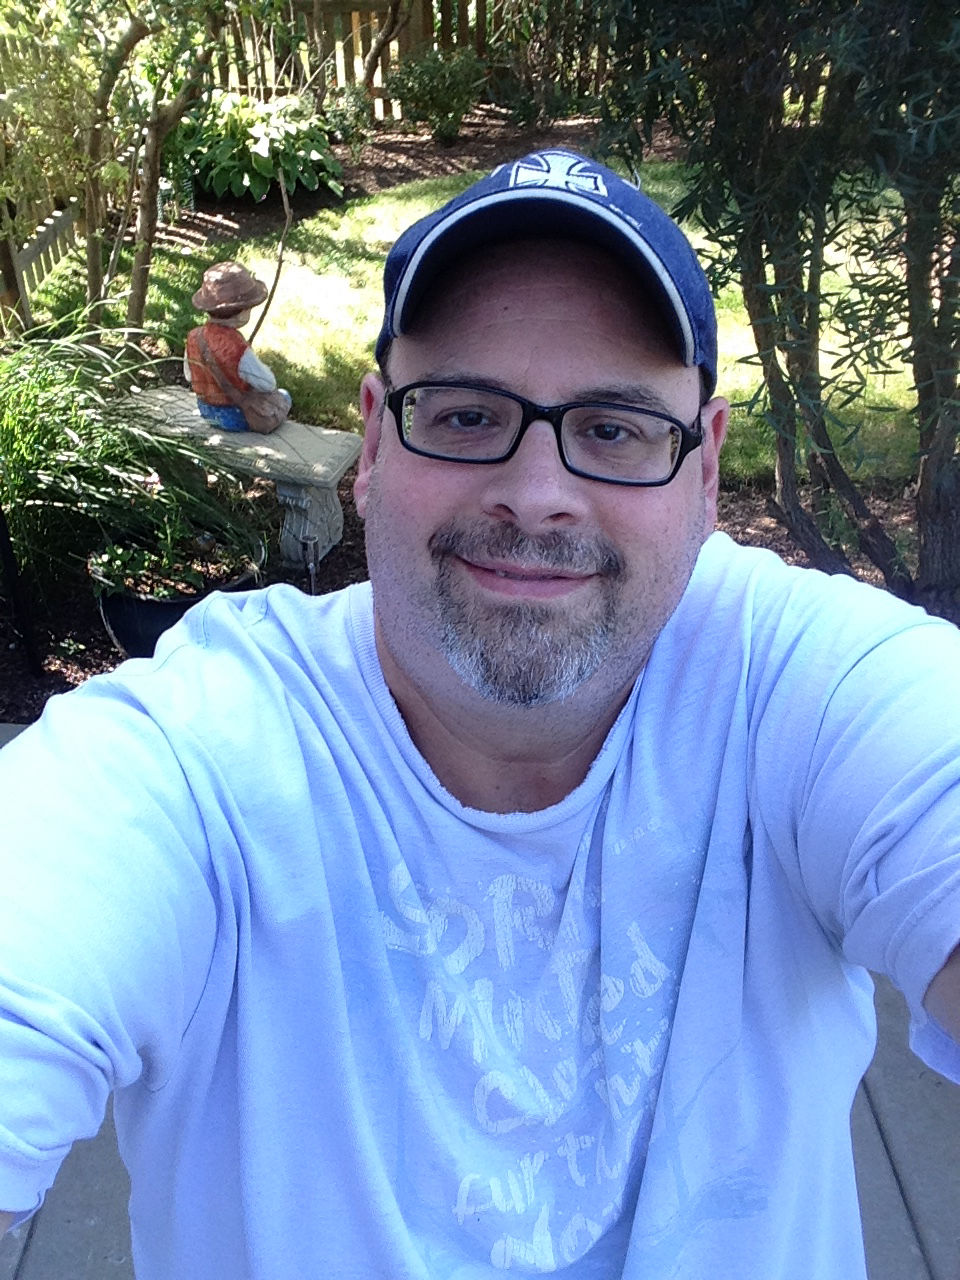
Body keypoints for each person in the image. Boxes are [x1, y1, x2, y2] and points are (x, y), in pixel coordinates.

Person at [1, 148, 959, 1279]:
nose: (536, 492)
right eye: (464, 415)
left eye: (612, 429)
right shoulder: (196, 753)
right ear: (372, 443)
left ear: (704, 472)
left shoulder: (801, 687)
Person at [184, 260, 291, 433]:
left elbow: (189, 376)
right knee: (284, 396)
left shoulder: (194, 336)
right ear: (242, 312)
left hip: (205, 409)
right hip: (233, 415)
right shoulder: (236, 346)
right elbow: (268, 384)